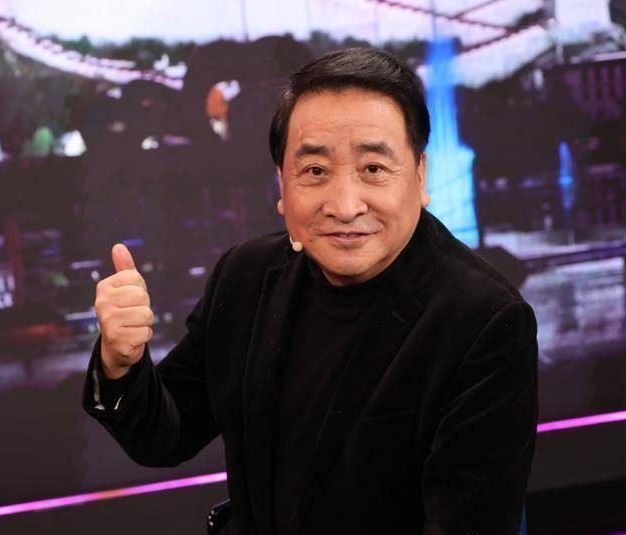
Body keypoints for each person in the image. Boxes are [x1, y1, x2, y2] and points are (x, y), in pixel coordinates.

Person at [83, 47, 538, 535]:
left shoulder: (483, 320)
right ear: (282, 184)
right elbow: (165, 434)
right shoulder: (246, 275)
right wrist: (121, 362)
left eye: (373, 169)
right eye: (316, 171)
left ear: (420, 175)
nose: (345, 206)